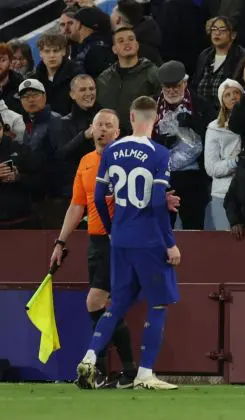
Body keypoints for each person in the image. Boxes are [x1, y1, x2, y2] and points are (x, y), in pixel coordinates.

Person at [76, 96, 181, 390]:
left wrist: (111, 230)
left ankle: (87, 358)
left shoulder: (111, 151)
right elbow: (159, 201)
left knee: (117, 303)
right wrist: (169, 243)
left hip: (119, 239)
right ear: (155, 119)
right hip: (149, 240)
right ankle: (145, 374)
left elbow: (98, 198)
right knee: (159, 303)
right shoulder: (159, 153)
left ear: (131, 118)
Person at [50, 109, 138, 388]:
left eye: (108, 125)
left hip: (119, 241)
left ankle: (103, 369)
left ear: (118, 132)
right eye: (98, 124)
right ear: (91, 129)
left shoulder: (126, 162)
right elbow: (78, 205)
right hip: (95, 241)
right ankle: (123, 371)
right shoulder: (86, 162)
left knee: (95, 302)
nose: (102, 130)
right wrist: (60, 242)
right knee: (107, 306)